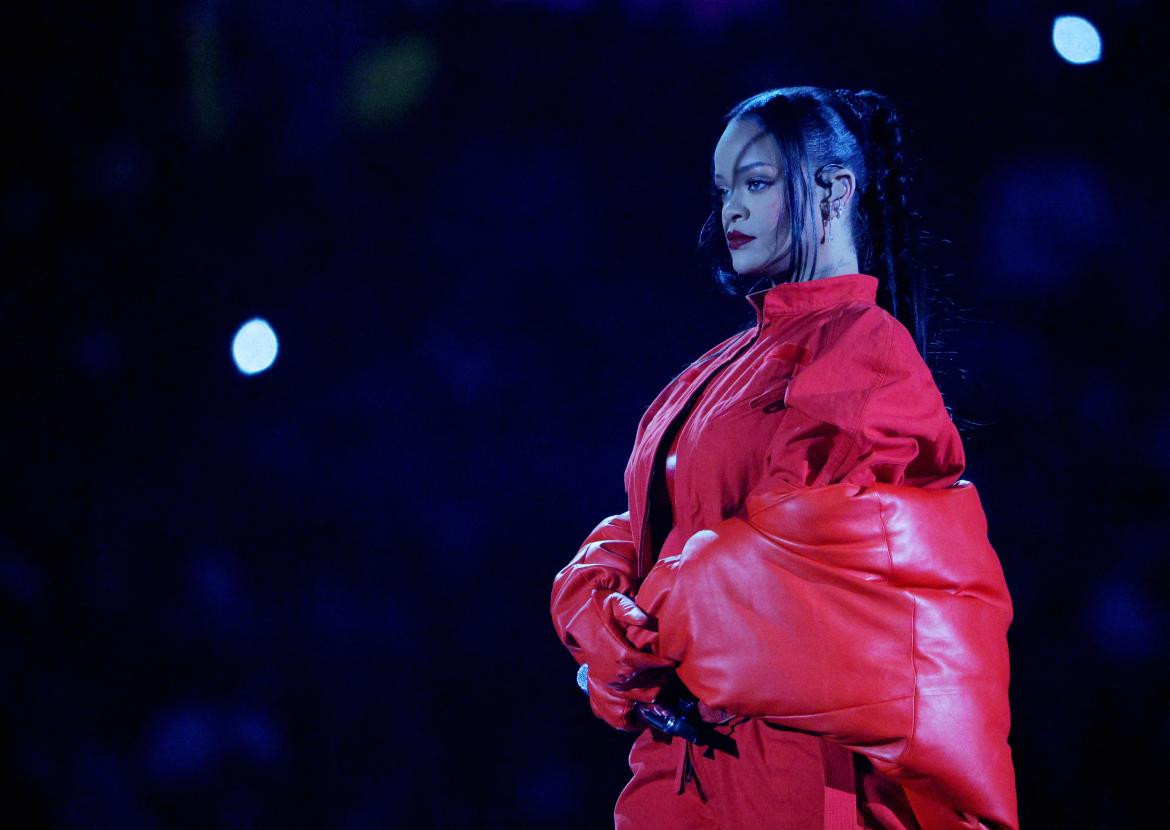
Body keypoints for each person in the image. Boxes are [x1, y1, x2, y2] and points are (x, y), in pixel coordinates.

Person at [550, 87, 1017, 830]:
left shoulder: (864, 348)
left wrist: (627, 636)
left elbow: (791, 566)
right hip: (681, 772)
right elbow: (647, 529)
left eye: (757, 182)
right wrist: (594, 603)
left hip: (797, 781)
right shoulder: (724, 363)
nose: (729, 209)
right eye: (723, 188)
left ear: (834, 190)